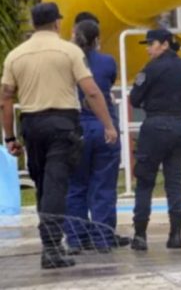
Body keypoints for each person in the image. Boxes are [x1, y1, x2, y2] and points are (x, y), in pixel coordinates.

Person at [1, 3, 118, 269]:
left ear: (33, 24)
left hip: (32, 126)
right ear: (57, 23)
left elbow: (5, 99)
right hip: (62, 125)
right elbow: (91, 91)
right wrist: (108, 125)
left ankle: (49, 244)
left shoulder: (15, 55)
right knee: (56, 185)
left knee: (43, 184)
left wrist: (9, 137)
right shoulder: (69, 51)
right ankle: (52, 248)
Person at [64, 18, 130, 253]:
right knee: (103, 185)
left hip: (76, 127)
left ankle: (75, 238)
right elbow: (106, 84)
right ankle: (103, 237)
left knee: (75, 185)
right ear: (97, 40)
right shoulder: (106, 62)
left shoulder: (66, 60)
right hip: (103, 126)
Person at [129, 29, 181, 251]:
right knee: (174, 181)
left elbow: (135, 99)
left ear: (165, 44)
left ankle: (140, 235)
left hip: (156, 126)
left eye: (151, 43)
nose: (148, 48)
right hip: (180, 125)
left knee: (145, 181)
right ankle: (176, 234)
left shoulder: (152, 68)